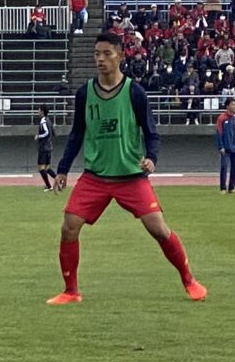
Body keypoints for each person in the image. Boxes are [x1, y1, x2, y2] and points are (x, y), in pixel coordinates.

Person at [47, 30, 205, 305]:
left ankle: (189, 280)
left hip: (131, 176)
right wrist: (62, 169)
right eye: (97, 54)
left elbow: (152, 133)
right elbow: (76, 134)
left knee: (158, 229)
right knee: (69, 227)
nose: (100, 59)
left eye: (107, 53)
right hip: (95, 176)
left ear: (120, 55)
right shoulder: (85, 93)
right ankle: (71, 291)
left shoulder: (135, 92)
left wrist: (151, 158)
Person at [215, 91, 235, 193]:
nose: (234, 106)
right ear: (227, 106)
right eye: (232, 104)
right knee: (224, 167)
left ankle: (232, 187)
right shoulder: (222, 118)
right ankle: (223, 188)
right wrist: (220, 146)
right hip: (225, 147)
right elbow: (219, 132)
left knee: (234, 168)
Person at [35, 108, 55, 191]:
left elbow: (47, 132)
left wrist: (38, 136)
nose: (38, 112)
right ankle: (59, 180)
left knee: (41, 168)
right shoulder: (49, 120)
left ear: (42, 111)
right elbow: (53, 132)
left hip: (43, 147)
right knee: (47, 168)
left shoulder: (43, 121)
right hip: (49, 146)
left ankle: (49, 186)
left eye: (39, 110)